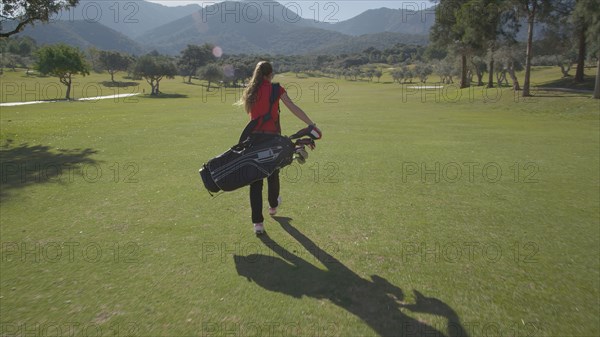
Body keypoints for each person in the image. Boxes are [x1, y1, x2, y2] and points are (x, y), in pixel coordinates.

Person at [238, 61, 320, 234]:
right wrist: (310, 124)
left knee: (255, 182)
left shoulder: (250, 90)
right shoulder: (276, 89)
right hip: (271, 140)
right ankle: (273, 207)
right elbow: (293, 108)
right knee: (273, 174)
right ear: (271, 74)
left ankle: (258, 224)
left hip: (253, 140)